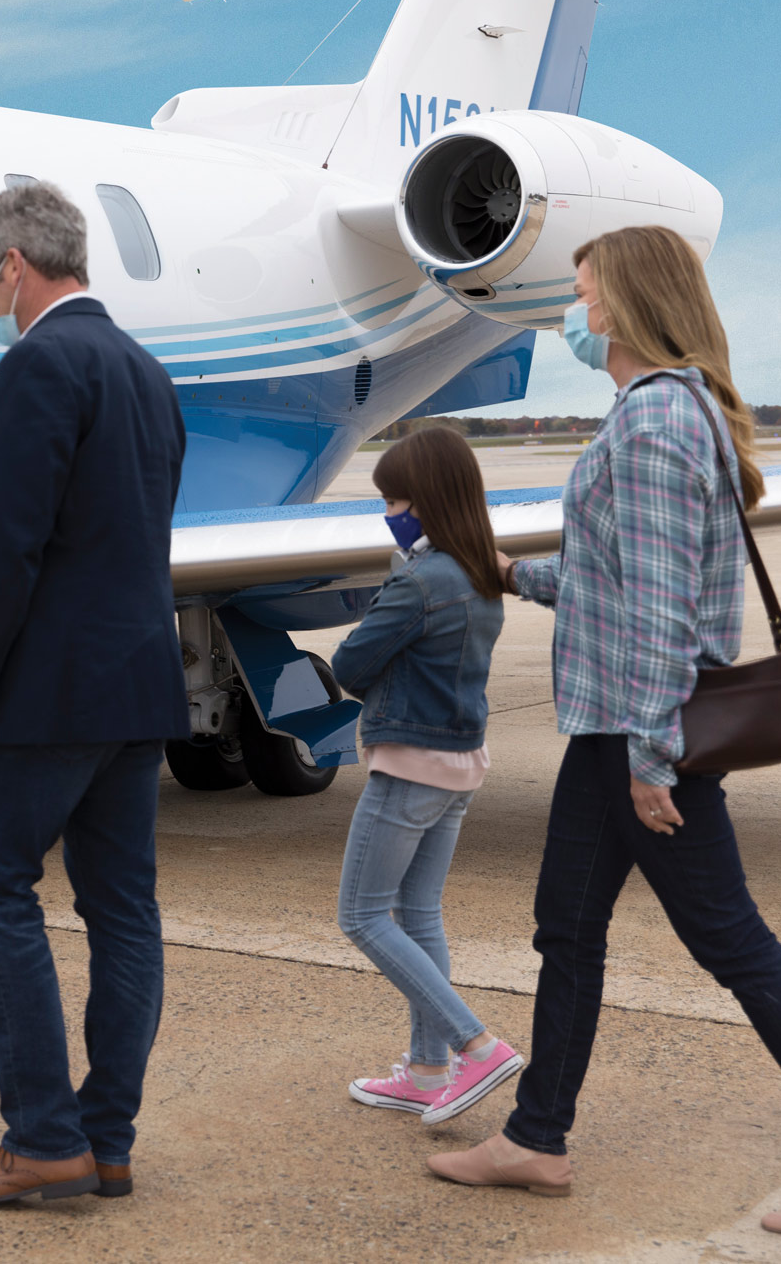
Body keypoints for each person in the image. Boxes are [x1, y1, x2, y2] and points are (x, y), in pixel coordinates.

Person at [429, 226, 781, 1230]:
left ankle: (535, 1133)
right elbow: (617, 581)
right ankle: (533, 1138)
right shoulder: (671, 411)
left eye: (583, 291)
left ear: (627, 304)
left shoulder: (650, 426)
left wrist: (650, 756)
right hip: (613, 730)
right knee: (565, 927)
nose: (574, 310)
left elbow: (653, 613)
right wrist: (510, 573)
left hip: (637, 737)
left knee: (730, 943)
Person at [0, 182, 188, 1205]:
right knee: (122, 909)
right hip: (137, 682)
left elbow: (7, 548)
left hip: (45, 692)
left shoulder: (37, 362)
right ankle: (104, 1138)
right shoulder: (142, 368)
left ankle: (41, 1136)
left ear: (13, 266)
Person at [331, 427, 523, 1125]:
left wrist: (396, 585)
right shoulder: (478, 571)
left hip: (408, 767)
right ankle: (427, 1067)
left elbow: (350, 666)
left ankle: (475, 1044)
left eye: (395, 497)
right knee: (418, 914)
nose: (389, 509)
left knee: (360, 915)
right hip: (460, 767)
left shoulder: (418, 580)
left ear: (426, 500)